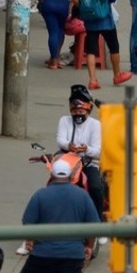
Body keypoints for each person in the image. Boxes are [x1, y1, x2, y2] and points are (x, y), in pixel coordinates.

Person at [15, 158, 99, 273]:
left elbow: (28, 221)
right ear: (70, 175)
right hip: (73, 255)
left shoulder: (41, 195)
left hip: (43, 254)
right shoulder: (83, 196)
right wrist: (89, 246)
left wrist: (30, 240)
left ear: (51, 174)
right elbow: (94, 224)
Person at [79, 0, 133, 89]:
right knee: (114, 46)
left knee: (91, 49)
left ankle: (92, 80)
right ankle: (117, 75)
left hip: (90, 18)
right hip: (105, 18)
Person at [57, 85, 104, 222]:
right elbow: (60, 140)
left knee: (95, 187)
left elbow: (97, 151)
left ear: (88, 109)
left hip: (89, 163)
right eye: (75, 110)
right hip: (68, 161)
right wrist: (68, 146)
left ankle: (98, 222)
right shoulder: (64, 120)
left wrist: (86, 149)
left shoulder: (95, 125)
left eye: (81, 110)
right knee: (54, 184)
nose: (78, 113)